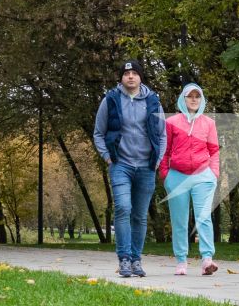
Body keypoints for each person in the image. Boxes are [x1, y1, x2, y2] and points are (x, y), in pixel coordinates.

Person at [93, 60, 166, 277]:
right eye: (126, 74)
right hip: (120, 165)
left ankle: (136, 260)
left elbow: (162, 134)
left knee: (140, 216)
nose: (131, 77)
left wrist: (157, 160)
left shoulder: (153, 101)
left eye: (135, 73)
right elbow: (98, 132)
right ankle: (123, 258)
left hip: (146, 166)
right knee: (123, 208)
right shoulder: (111, 100)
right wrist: (107, 157)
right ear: (121, 78)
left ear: (141, 77)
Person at [159, 82, 221, 275]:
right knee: (179, 219)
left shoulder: (208, 123)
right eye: (190, 96)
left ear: (201, 100)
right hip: (177, 176)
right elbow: (165, 151)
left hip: (203, 176)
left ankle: (207, 260)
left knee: (203, 218)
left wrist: (214, 173)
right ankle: (181, 261)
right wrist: (166, 175)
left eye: (197, 96)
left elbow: (214, 150)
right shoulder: (172, 122)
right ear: (183, 99)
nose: (194, 99)